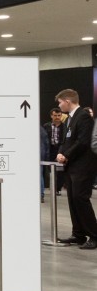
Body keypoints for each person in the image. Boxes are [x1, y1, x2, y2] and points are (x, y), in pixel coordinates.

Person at [55, 89, 97, 248]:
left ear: (67, 101)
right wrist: (61, 152)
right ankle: (78, 234)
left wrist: (66, 155)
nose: (59, 106)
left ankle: (94, 235)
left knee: (81, 199)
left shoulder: (84, 116)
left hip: (84, 166)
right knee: (72, 199)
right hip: (72, 166)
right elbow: (67, 140)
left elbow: (83, 141)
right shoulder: (69, 119)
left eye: (60, 102)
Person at [43, 107, 66, 198]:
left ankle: (58, 189)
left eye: (59, 115)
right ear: (51, 116)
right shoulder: (46, 126)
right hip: (49, 149)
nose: (57, 117)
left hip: (60, 150)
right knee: (48, 170)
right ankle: (49, 186)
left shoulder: (65, 126)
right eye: (55, 115)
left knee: (60, 171)